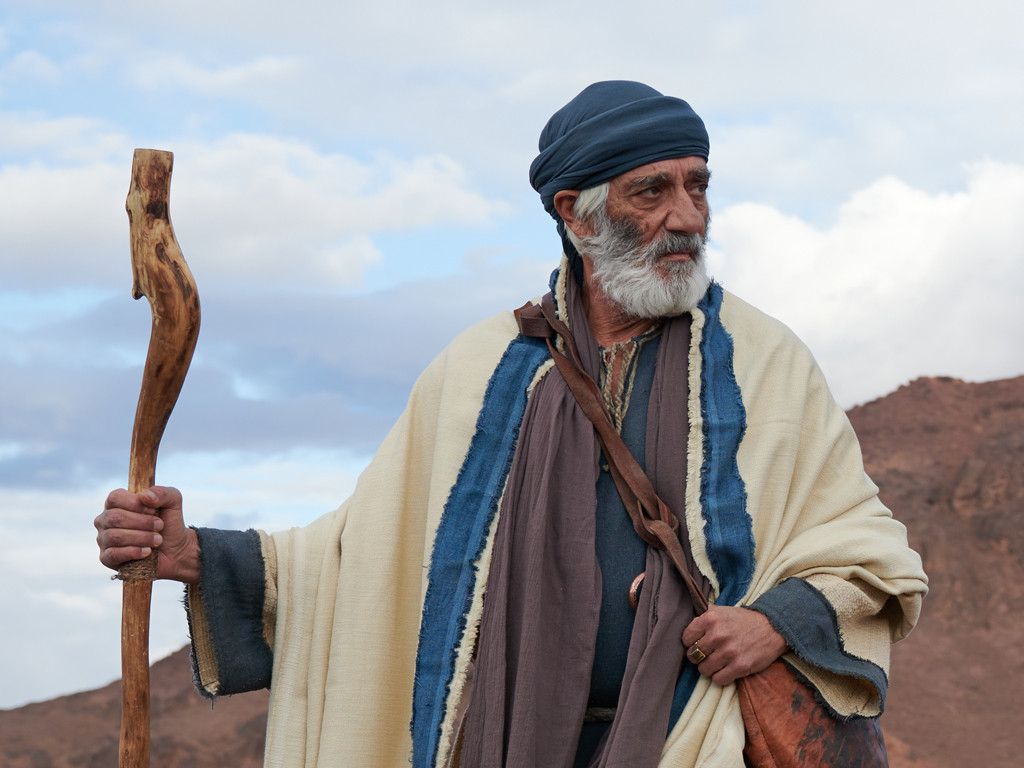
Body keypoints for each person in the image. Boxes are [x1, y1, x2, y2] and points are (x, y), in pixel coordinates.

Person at [96, 81, 927, 767]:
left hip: (698, 739)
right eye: (654, 190)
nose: (688, 216)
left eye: (698, 185)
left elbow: (867, 549)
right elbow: (364, 561)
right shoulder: (481, 368)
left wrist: (773, 621)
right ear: (575, 210)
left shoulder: (766, 362)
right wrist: (195, 555)